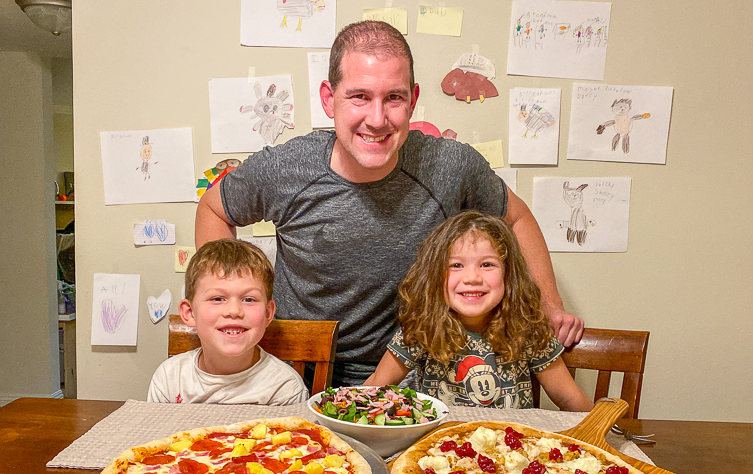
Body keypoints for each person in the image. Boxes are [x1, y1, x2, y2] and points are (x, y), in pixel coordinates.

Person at [195, 20, 583, 387]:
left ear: (412, 101)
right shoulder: (286, 167)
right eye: (359, 97)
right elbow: (213, 209)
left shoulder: (450, 166)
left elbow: (516, 218)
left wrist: (549, 304)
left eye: (393, 98)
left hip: (407, 368)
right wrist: (225, 301)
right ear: (329, 99)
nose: (377, 119)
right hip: (293, 365)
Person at [364, 212, 593, 412]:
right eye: (456, 265)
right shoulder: (422, 328)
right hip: (438, 443)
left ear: (509, 275)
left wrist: (602, 428)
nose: (472, 278)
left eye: (487, 265)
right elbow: (375, 387)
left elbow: (571, 400)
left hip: (509, 444)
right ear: (434, 276)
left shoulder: (528, 328)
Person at [147, 239, 308, 405]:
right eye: (217, 298)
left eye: (249, 299)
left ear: (268, 313)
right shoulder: (169, 378)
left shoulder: (285, 388)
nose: (234, 311)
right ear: (190, 313)